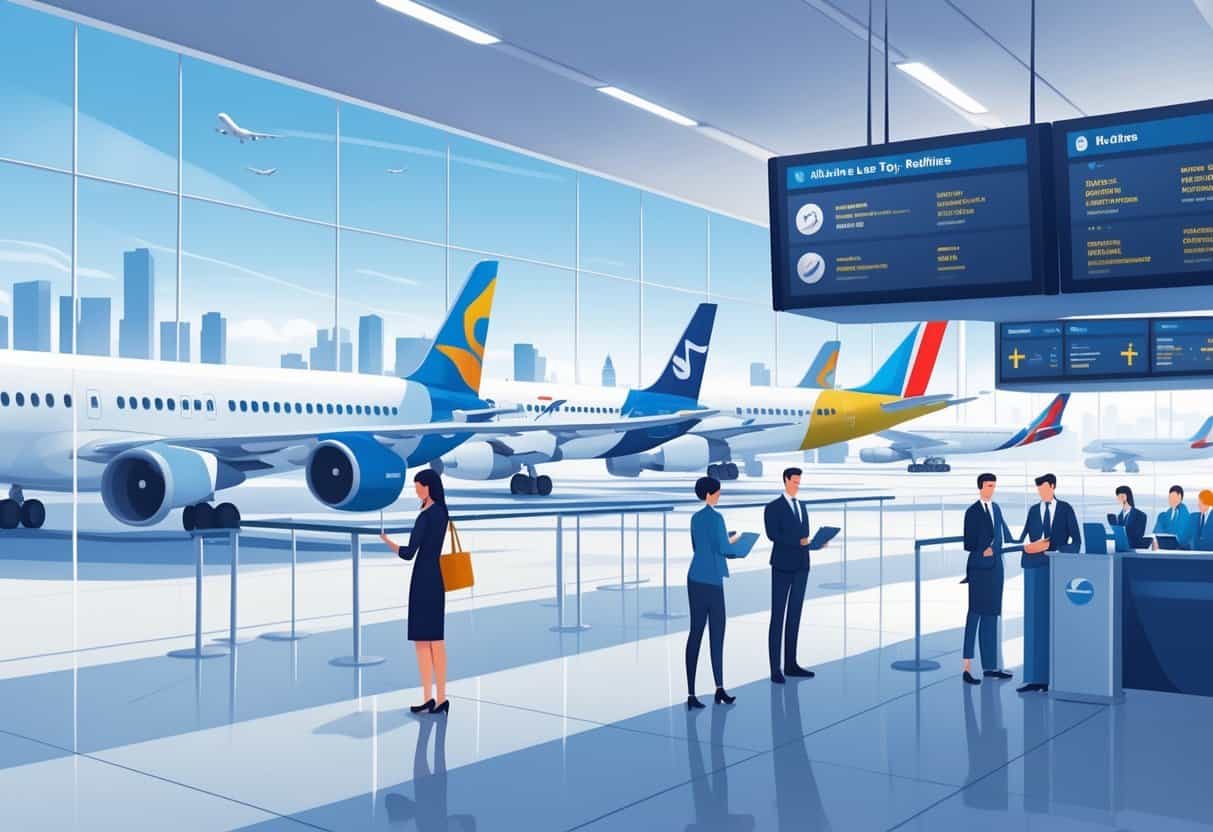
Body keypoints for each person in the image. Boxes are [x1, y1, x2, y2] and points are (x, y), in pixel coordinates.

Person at [380, 469, 451, 716]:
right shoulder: (443, 512)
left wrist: (386, 541)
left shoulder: (425, 516)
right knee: (437, 640)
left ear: (428, 487)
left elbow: (409, 552)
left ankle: (428, 697)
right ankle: (441, 698)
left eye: (418, 486)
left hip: (422, 579)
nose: (416, 491)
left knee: (422, 641)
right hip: (438, 577)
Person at [685, 476, 751, 709]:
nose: (719, 495)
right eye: (718, 492)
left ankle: (691, 693)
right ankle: (719, 687)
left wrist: (722, 540)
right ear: (709, 494)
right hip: (712, 581)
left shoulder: (695, 518)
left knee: (695, 633)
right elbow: (724, 549)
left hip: (694, 578)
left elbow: (698, 546)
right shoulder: (716, 517)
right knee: (717, 635)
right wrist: (735, 541)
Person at [1017, 473, 1081, 694]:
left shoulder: (1065, 509)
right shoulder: (1034, 510)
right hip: (1034, 569)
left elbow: (1076, 541)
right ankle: (1035, 678)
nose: (1041, 493)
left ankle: (1058, 675)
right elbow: (1024, 537)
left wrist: (1055, 551)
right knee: (1034, 623)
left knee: (1054, 623)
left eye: (1044, 488)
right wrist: (1028, 547)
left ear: (1053, 487)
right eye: (1038, 490)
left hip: (1057, 569)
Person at [961, 473, 1015, 685]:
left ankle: (990, 667)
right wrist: (983, 550)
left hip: (996, 569)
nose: (992, 489)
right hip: (979, 568)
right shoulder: (972, 511)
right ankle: (967, 667)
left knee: (992, 615)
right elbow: (968, 542)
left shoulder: (997, 508)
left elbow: (1006, 534)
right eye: (989, 486)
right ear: (980, 487)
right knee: (974, 615)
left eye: (994, 486)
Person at [764, 467, 817, 684]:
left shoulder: (802, 506)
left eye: (799, 482)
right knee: (778, 617)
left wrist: (816, 543)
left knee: (794, 616)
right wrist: (798, 543)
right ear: (785, 480)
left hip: (802, 565)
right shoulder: (773, 507)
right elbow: (773, 535)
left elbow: (804, 534)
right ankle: (775, 668)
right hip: (782, 566)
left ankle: (791, 664)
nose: (797, 485)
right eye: (794, 482)